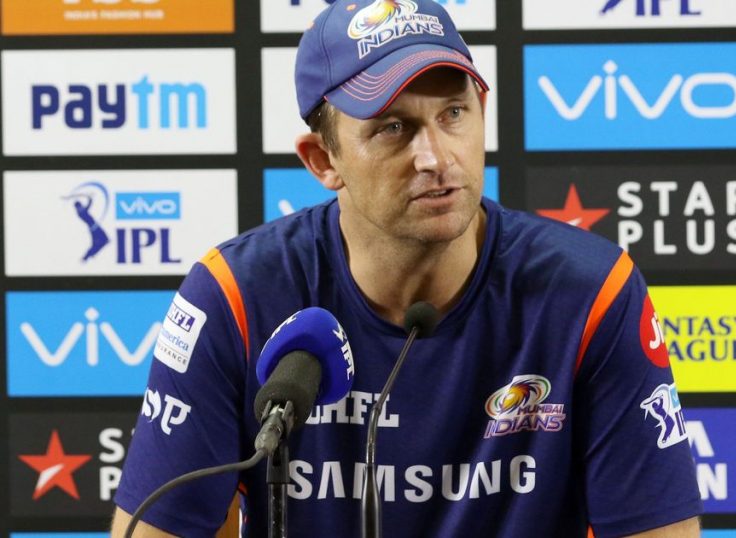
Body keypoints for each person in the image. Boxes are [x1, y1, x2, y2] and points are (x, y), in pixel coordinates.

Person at [111, 1, 703, 536]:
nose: (436, 157)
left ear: (483, 112)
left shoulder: (592, 293)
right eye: (393, 128)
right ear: (323, 160)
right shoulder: (234, 296)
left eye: (453, 113)